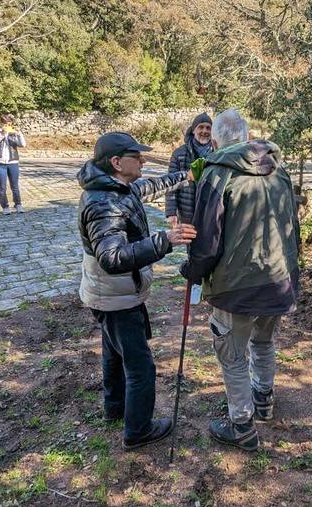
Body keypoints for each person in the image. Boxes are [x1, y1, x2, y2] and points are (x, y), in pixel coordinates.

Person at [180, 109, 301, 452]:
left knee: (231, 354)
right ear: (248, 139)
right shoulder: (280, 171)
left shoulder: (217, 175)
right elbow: (294, 227)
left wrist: (193, 271)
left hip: (237, 285)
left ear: (215, 141)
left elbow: (206, 239)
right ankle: (264, 399)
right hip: (279, 277)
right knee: (263, 342)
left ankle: (242, 425)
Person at [77, 131, 197, 450]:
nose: (143, 160)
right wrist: (164, 240)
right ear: (117, 162)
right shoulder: (105, 203)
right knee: (140, 367)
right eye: (137, 156)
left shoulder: (116, 187)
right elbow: (112, 258)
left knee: (113, 353)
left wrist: (186, 175)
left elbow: (149, 186)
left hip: (109, 294)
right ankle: (138, 430)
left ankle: (115, 409)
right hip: (116, 296)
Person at [166, 112, 213, 227]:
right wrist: (171, 212)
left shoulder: (217, 153)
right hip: (187, 210)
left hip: (211, 210)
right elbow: (171, 184)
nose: (204, 131)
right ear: (193, 130)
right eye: (200, 127)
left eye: (208, 128)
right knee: (191, 242)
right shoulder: (179, 154)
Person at [0, 113, 27, 215]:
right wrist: (2, 135)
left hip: (13, 162)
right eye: (5, 123)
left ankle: (18, 204)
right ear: (1, 123)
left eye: (9, 123)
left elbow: (23, 144)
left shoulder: (13, 132)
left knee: (15, 186)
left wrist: (19, 134)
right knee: (2, 187)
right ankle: (5, 206)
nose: (7, 125)